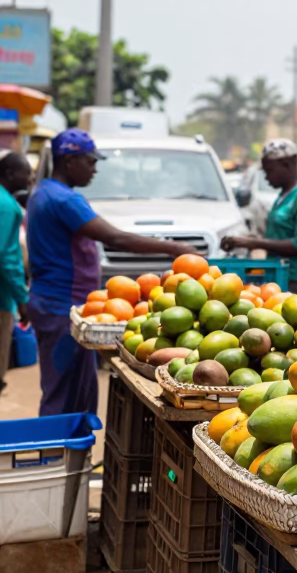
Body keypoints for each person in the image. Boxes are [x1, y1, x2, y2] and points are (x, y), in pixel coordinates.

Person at [26, 130, 195, 416]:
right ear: (70, 161)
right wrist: (174, 248)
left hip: (55, 301)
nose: (94, 168)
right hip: (61, 304)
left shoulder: (43, 192)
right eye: (90, 161)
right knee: (62, 393)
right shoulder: (64, 200)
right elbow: (116, 238)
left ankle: (72, 456)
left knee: (76, 390)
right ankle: (56, 454)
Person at [222, 139, 297, 294]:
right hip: (280, 275)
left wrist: (254, 243)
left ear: (286, 165)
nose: (266, 176)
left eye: (269, 170)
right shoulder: (283, 196)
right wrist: (247, 240)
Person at [0, 151, 31, 392]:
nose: (31, 178)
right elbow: (8, 259)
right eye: (27, 173)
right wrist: (22, 299)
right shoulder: (8, 207)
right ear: (10, 174)